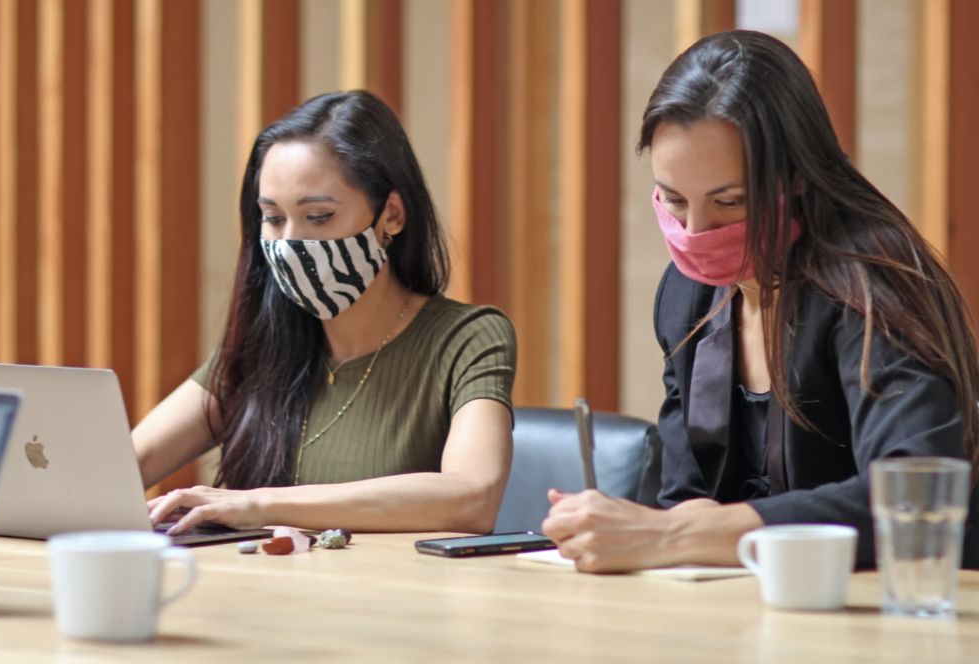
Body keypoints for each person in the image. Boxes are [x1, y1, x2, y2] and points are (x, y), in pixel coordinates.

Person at [542, 30, 979, 572]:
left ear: (796, 177)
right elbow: (684, 498)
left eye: (729, 202)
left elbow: (915, 495)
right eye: (674, 201)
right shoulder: (686, 295)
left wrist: (675, 533)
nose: (696, 232)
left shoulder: (873, 287)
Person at [132, 91, 516, 535]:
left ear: (390, 215)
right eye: (273, 219)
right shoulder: (263, 347)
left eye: (318, 217)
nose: (291, 243)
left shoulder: (467, 337)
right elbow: (131, 463)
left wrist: (258, 504)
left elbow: (472, 497)